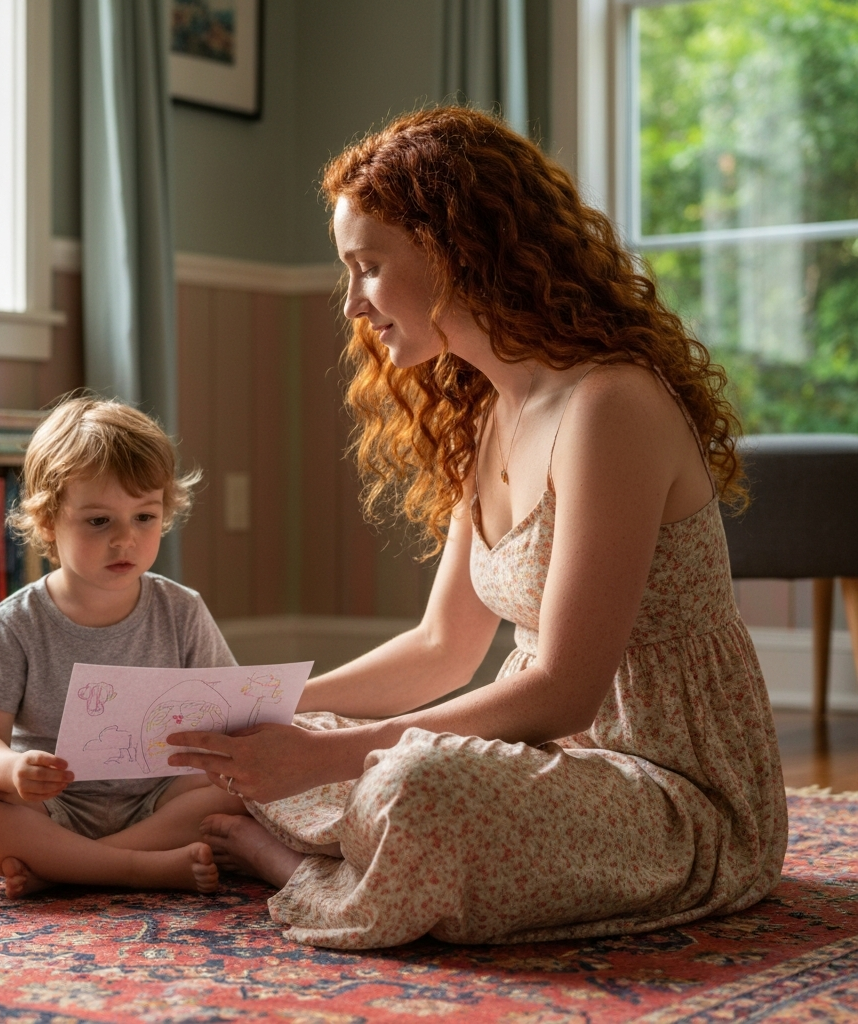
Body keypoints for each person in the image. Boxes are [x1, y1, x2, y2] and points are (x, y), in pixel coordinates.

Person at [166, 107, 788, 949]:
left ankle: (304, 865)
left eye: (370, 267)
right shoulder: (489, 413)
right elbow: (441, 649)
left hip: (672, 793)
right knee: (344, 757)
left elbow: (564, 690)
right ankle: (363, 853)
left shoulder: (612, 407)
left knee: (418, 784)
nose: (353, 303)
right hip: (545, 766)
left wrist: (319, 760)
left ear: (456, 251)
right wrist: (273, 713)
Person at [0, 397, 245, 897]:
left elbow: (227, 715)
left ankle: (66, 868)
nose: (125, 540)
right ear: (49, 521)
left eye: (144, 516)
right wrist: (12, 769)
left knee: (244, 791)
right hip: (52, 809)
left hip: (157, 801)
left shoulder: (182, 609)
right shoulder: (15, 622)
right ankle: (139, 868)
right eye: (99, 521)